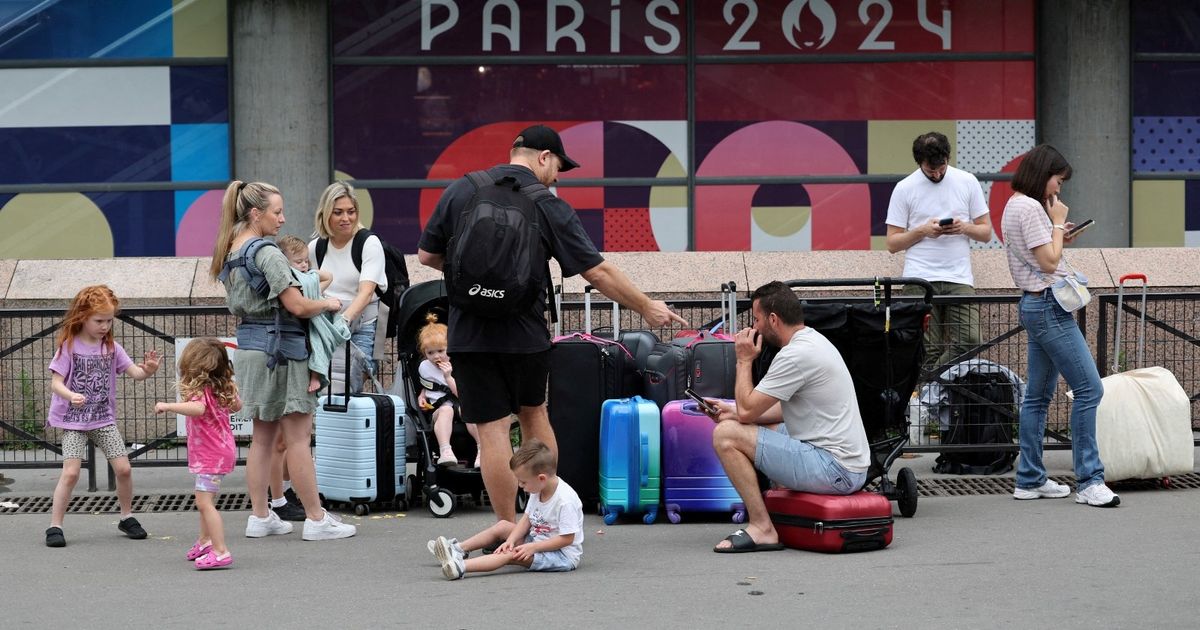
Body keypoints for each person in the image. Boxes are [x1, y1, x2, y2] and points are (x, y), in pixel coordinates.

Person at [417, 124, 687, 523]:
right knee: (533, 416)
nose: (556, 177)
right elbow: (597, 271)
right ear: (543, 157)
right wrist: (645, 305)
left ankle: (507, 528)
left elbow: (426, 255)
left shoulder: (462, 189)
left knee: (491, 432)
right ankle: (545, 519)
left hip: (469, 333)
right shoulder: (546, 202)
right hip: (524, 333)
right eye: (558, 166)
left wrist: (475, 281)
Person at [211, 179, 357, 540]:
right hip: (283, 351)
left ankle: (260, 516)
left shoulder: (231, 249)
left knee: (261, 439)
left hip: (250, 349)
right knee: (298, 439)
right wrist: (328, 303)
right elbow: (297, 305)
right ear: (256, 213)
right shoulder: (267, 252)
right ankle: (316, 519)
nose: (282, 218)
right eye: (277, 212)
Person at [707, 281, 871, 553]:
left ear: (773, 319)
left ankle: (762, 527)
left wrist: (744, 361)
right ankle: (785, 510)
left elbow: (749, 409)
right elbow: (777, 411)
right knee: (762, 424)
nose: (755, 327)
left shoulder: (795, 355)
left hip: (834, 469)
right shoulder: (813, 340)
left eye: (757, 319)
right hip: (847, 465)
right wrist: (731, 412)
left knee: (725, 435)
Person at [1001, 144, 1119, 508]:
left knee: (1037, 397)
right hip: (1049, 306)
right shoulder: (1033, 208)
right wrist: (1055, 225)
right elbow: (1050, 264)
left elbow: (1042, 255)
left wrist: (1057, 234)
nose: (1058, 189)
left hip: (1035, 304)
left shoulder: (1013, 204)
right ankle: (1090, 480)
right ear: (1043, 174)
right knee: (1089, 390)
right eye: (1058, 180)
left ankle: (1030, 478)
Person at [44, 285, 160, 548]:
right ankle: (55, 524)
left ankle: (126, 516)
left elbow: (135, 373)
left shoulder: (112, 347)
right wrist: (70, 394)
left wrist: (149, 370)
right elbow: (55, 383)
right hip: (73, 421)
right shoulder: (68, 347)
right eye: (99, 320)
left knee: (124, 468)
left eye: (109, 320)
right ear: (82, 316)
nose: (105, 326)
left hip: (103, 419)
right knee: (71, 473)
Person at [886, 132, 992, 373]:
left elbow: (986, 233)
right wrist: (923, 231)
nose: (937, 174)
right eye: (930, 170)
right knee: (926, 349)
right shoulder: (905, 188)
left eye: (940, 168)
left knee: (970, 340)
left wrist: (963, 227)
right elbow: (892, 243)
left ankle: (928, 387)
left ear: (948, 157)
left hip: (959, 277)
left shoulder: (967, 181)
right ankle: (928, 405)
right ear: (919, 163)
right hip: (919, 278)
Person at [428, 438, 582, 580]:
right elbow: (527, 519)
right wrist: (511, 540)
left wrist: (532, 547)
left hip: (561, 555)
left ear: (541, 478)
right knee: (503, 526)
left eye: (523, 482)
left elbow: (567, 539)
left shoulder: (565, 500)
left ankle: (460, 567)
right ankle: (457, 549)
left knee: (510, 554)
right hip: (537, 541)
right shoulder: (539, 488)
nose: (521, 486)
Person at [154, 338, 241, 569]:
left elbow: (198, 408)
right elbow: (237, 406)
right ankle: (205, 541)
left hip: (211, 455)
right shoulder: (220, 386)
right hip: (219, 452)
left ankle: (220, 550)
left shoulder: (203, 390)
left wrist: (168, 406)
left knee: (204, 503)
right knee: (205, 500)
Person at [308, 181, 386, 393]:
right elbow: (312, 288)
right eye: (338, 212)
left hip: (362, 325)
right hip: (327, 325)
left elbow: (367, 291)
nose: (346, 218)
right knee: (324, 389)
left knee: (349, 387)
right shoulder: (316, 247)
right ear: (326, 214)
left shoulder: (368, 243)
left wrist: (344, 320)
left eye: (351, 212)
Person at [416, 312, 481, 469]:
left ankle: (482, 449)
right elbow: (428, 385)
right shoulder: (424, 367)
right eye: (430, 353)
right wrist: (422, 395)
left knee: (469, 411)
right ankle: (446, 451)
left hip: (460, 402)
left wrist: (448, 377)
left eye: (440, 351)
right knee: (446, 410)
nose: (436, 356)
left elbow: (462, 394)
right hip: (438, 408)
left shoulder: (456, 364)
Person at [278, 235, 334, 394]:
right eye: (298, 262)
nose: (303, 265)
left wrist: (311, 272)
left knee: (321, 343)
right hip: (297, 327)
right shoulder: (289, 280)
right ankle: (315, 376)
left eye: (306, 261)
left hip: (312, 320)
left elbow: (328, 277)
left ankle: (316, 375)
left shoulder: (309, 280)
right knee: (315, 344)